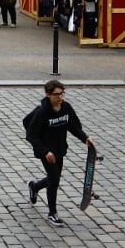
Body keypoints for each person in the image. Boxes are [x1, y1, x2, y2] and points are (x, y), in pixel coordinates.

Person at [23, 78, 94, 226]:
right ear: (48, 95)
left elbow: (74, 126)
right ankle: (52, 213)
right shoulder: (42, 112)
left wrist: (85, 138)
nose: (60, 97)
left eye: (62, 93)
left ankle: (34, 187)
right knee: (54, 179)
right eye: (56, 94)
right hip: (46, 152)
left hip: (60, 150)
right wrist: (45, 151)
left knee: (54, 179)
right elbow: (31, 135)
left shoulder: (66, 108)